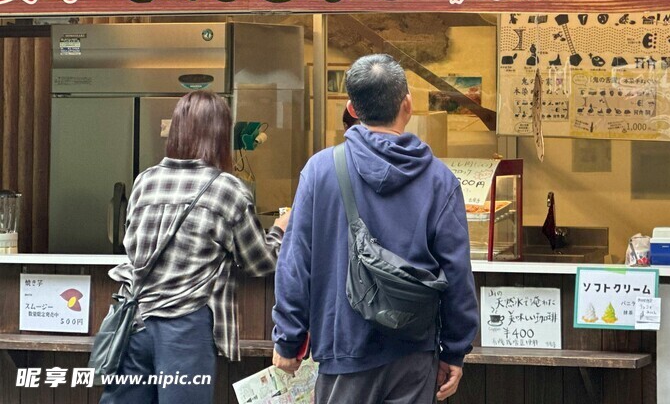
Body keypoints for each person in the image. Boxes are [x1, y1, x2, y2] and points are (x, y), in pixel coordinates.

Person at [273, 53, 477, 403]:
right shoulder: (439, 180)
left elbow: (295, 263)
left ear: (352, 108)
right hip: (414, 353)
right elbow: (457, 272)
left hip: (342, 350)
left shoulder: (320, 171)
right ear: (407, 105)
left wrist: (289, 338)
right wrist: (453, 351)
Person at [102, 90, 289, 404]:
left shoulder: (144, 181)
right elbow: (260, 263)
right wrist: (281, 231)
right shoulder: (227, 189)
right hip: (183, 327)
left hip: (132, 321)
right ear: (219, 136)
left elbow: (132, 245)